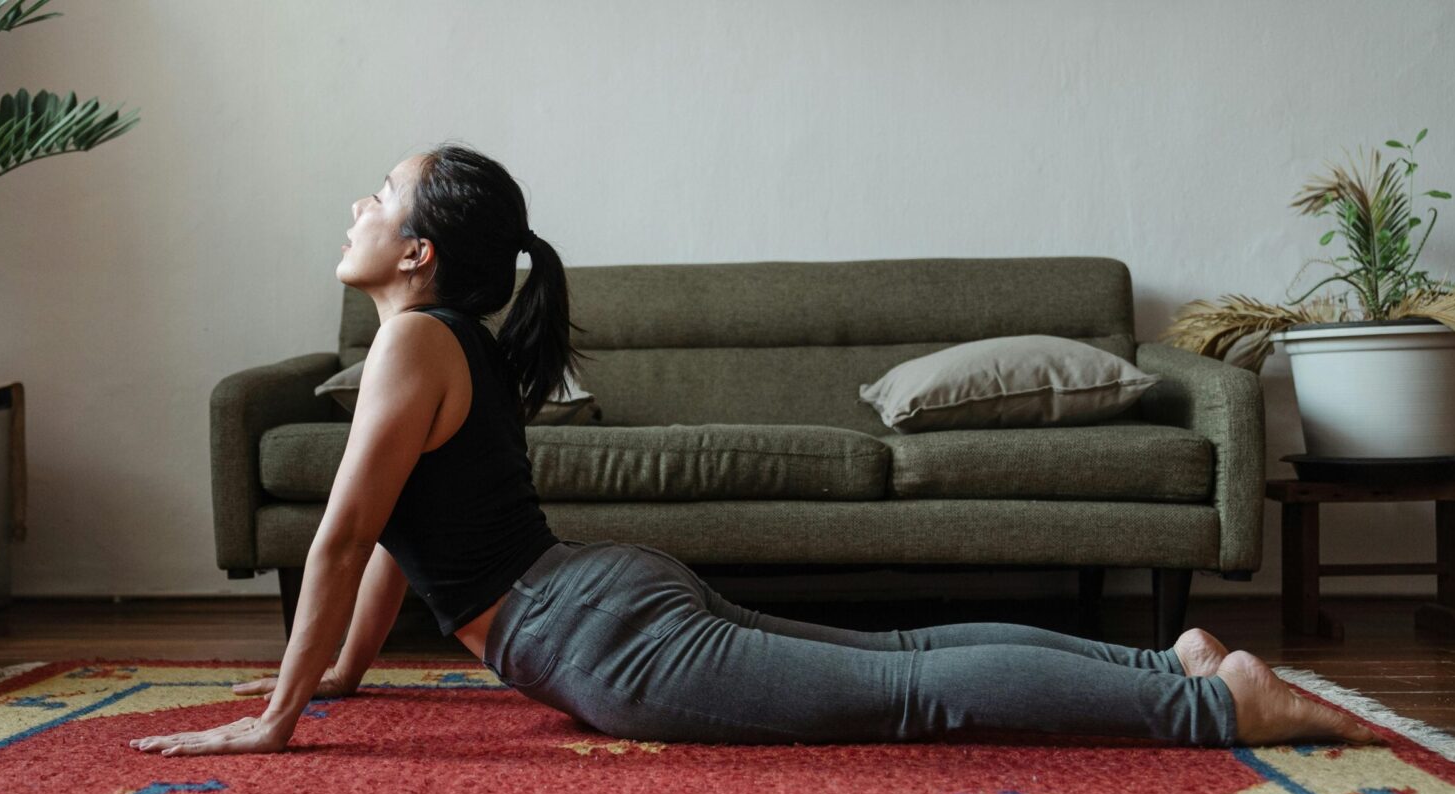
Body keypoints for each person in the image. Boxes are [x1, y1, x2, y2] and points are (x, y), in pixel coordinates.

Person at [130, 143, 1382, 756]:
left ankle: (1213, 707)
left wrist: (275, 720)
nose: (357, 204)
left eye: (378, 195)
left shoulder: (409, 349)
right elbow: (400, 539)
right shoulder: (444, 341)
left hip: (596, 635)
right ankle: (1175, 660)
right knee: (902, 657)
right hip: (600, 597)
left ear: (417, 254)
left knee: (912, 693)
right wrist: (344, 674)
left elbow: (348, 536)